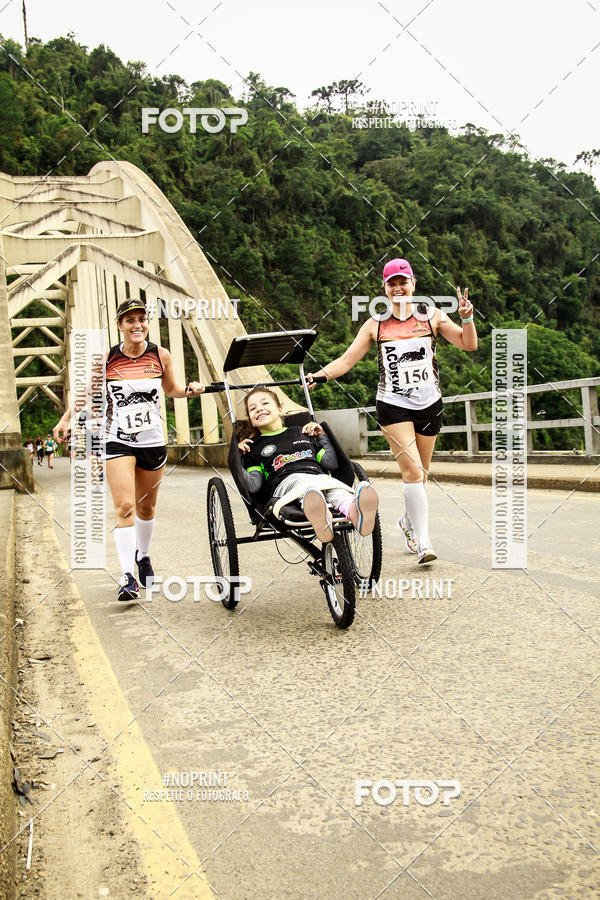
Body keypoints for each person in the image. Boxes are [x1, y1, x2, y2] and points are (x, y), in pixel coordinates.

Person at [307, 258, 477, 564]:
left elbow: (468, 344)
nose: (398, 288)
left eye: (403, 282)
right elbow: (346, 361)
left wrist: (467, 318)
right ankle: (423, 542)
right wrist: (319, 376)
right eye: (392, 283)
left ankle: (406, 522)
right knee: (412, 471)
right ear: (385, 289)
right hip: (393, 405)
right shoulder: (376, 325)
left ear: (413, 284)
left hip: (429, 404)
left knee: (421, 475)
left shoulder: (432, 317)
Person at [54, 298, 205, 602]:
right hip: (117, 439)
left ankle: (144, 556)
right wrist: (66, 419)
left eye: (142, 319)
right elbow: (87, 393)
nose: (137, 325)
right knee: (125, 507)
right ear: (120, 325)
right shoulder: (107, 359)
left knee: (147, 507)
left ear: (147, 323)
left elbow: (170, 389)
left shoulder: (160, 355)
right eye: (130, 320)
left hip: (152, 440)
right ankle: (127, 576)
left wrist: (189, 390)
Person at [237, 388, 378, 541]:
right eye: (252, 408)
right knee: (308, 489)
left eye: (265, 403)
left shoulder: (302, 432)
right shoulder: (254, 447)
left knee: (335, 489)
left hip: (318, 478)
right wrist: (238, 459)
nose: (259, 408)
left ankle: (354, 512)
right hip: (285, 484)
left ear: (280, 409)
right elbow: (253, 485)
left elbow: (330, 463)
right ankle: (320, 515)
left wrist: (321, 435)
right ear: (251, 420)